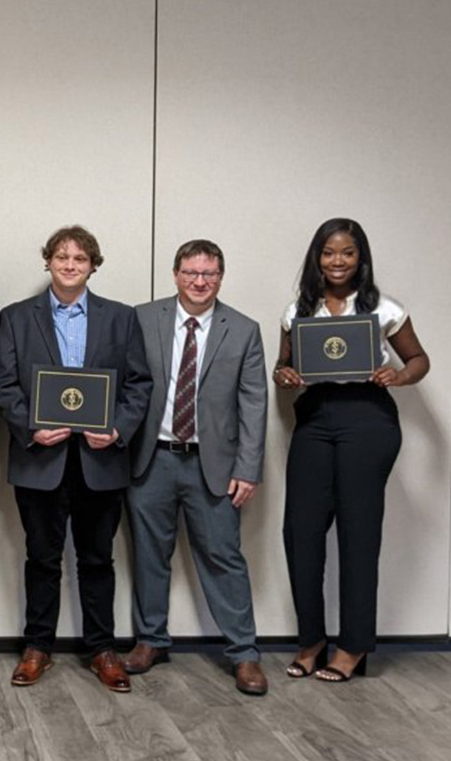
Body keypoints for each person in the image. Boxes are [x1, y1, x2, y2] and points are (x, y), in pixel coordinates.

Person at [0, 225, 151, 692]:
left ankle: (102, 649)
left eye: (79, 259)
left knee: (97, 559)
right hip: (41, 460)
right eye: (61, 257)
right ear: (48, 261)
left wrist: (118, 428)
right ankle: (37, 646)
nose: (69, 265)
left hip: (100, 462)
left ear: (92, 266)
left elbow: (139, 384)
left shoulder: (121, 318)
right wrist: (30, 428)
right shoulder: (16, 317)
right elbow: (5, 385)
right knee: (41, 558)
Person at [274, 218, 429, 682]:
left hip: (369, 418)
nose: (337, 261)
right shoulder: (297, 309)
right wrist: (284, 374)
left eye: (347, 253)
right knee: (300, 532)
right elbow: (283, 364)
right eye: (328, 253)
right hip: (316, 416)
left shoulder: (382, 308)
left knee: (359, 535)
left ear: (360, 258)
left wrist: (397, 376)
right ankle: (312, 641)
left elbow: (419, 359)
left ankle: (353, 647)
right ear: (316, 258)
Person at [125, 240, 268, 695]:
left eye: (209, 274)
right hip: (151, 461)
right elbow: (125, 383)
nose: (200, 282)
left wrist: (248, 468)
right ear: (175, 274)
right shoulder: (143, 319)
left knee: (224, 558)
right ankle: (150, 640)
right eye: (191, 273)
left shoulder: (243, 330)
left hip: (215, 467)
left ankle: (244, 654)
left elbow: (254, 404)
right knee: (149, 556)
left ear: (221, 277)